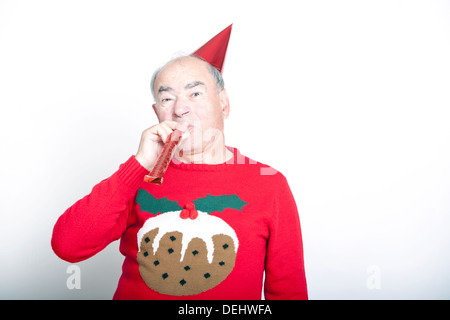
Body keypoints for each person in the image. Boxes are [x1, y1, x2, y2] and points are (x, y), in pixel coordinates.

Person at [51, 25, 308, 300]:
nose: (180, 108)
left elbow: (288, 290)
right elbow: (68, 246)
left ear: (224, 104)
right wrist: (139, 165)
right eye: (166, 98)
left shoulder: (270, 184)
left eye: (195, 93)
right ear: (157, 113)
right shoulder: (137, 175)